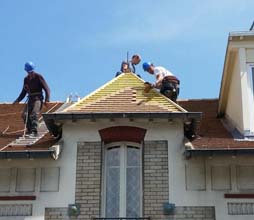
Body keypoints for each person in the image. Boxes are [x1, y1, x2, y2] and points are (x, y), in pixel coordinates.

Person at [13, 61, 50, 137]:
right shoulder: (26, 79)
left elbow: (47, 89)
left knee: (33, 114)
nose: (30, 73)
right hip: (30, 99)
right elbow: (24, 91)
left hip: (38, 99)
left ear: (33, 70)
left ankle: (34, 132)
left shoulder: (38, 77)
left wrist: (47, 100)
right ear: (26, 71)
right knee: (24, 115)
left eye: (31, 71)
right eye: (29, 72)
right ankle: (30, 131)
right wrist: (18, 100)